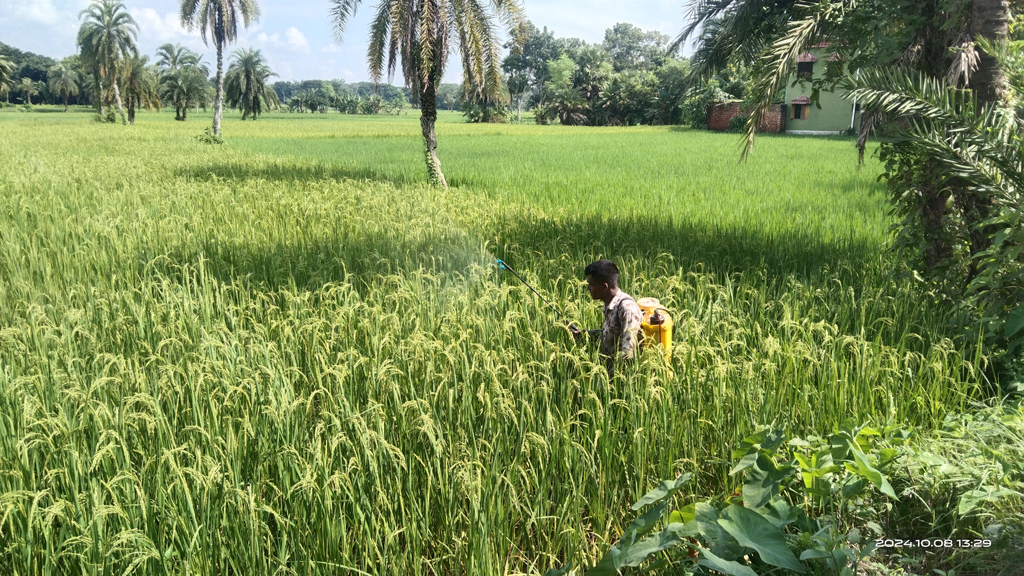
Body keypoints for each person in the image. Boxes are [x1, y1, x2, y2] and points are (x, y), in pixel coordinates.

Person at [570, 259, 643, 377]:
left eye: (591, 285)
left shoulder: (627, 309)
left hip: (621, 380)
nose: (588, 288)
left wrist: (606, 383)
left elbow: (627, 354)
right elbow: (613, 336)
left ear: (604, 287)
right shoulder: (608, 304)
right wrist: (587, 334)